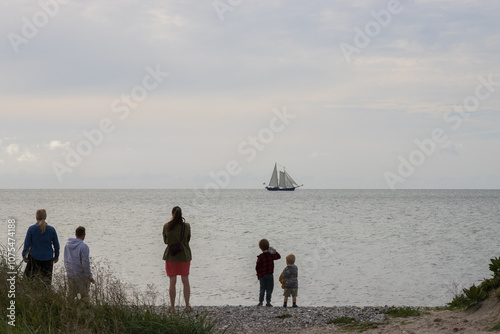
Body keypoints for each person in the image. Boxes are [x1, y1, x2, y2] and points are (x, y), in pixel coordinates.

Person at [163, 206, 192, 313]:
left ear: (172, 214)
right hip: (184, 256)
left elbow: (166, 241)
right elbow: (188, 240)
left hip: (171, 256)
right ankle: (187, 306)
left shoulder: (167, 226)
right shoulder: (187, 226)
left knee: (172, 281)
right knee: (185, 281)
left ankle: (172, 307)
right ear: (181, 214)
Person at [22, 209, 60, 286]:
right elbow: (56, 245)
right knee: (46, 282)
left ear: (36, 217)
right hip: (48, 258)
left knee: (28, 281)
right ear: (45, 217)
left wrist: (24, 256)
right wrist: (56, 256)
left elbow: (27, 244)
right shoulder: (51, 229)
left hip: (34, 258)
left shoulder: (31, 229)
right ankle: (45, 296)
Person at [64, 226, 95, 299]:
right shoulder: (84, 247)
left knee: (70, 297)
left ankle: (68, 309)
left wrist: (68, 271)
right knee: (84, 297)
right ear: (84, 236)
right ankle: (84, 309)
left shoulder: (67, 245)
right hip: (81, 276)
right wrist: (89, 277)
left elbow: (66, 260)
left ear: (75, 234)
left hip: (70, 274)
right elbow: (85, 264)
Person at [255, 238, 281, 307]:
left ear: (260, 248)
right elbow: (278, 257)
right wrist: (275, 251)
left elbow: (257, 267)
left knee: (262, 289)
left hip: (262, 275)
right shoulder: (271, 255)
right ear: (268, 246)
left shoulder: (260, 257)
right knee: (269, 289)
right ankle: (268, 302)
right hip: (270, 275)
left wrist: (258, 275)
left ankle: (260, 302)